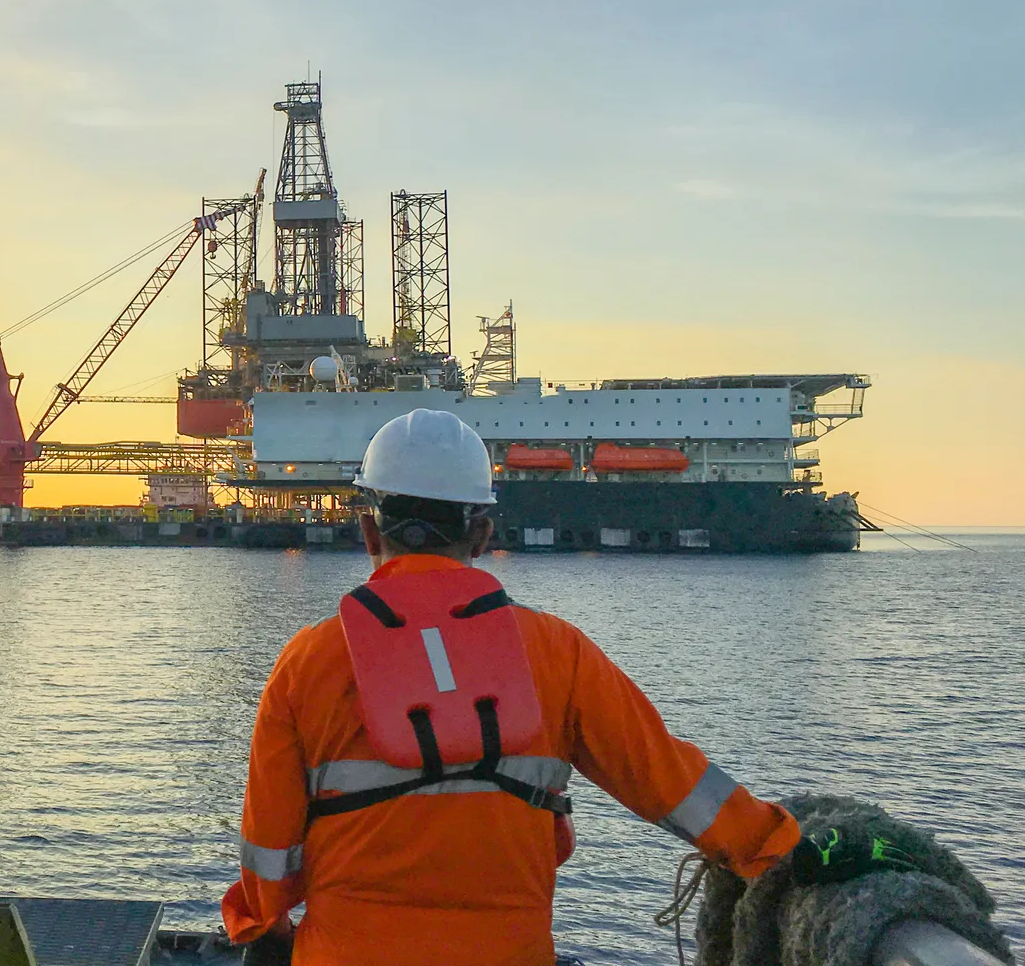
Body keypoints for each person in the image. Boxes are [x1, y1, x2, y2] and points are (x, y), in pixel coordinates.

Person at [223, 409, 800, 966]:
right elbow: (670, 781)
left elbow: (267, 851)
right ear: (481, 534)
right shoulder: (557, 652)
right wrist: (778, 846)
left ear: (369, 529)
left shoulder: (308, 663)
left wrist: (265, 927)